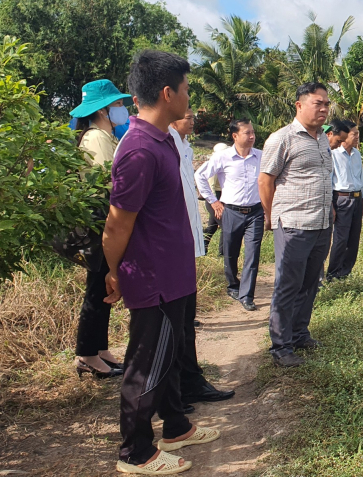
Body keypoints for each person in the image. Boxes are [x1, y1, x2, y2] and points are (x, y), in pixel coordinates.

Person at [103, 49, 219, 475]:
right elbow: (117, 225)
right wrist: (114, 271)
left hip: (175, 272)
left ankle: (176, 426)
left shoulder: (166, 139)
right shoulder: (138, 150)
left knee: (170, 355)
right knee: (146, 362)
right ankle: (135, 452)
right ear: (168, 93)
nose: (190, 97)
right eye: (186, 89)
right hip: (153, 278)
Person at [258, 83, 334, 368]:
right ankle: (281, 346)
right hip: (293, 224)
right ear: (299, 105)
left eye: (326, 104)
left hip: (321, 224)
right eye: (318, 103)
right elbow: (265, 180)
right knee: (288, 285)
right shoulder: (282, 139)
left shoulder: (322, 138)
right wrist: (271, 216)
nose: (324, 108)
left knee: (310, 283)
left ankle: (300, 334)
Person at [169, 108, 235, 414]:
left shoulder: (183, 145)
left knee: (186, 321)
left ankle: (190, 381)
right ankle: (172, 393)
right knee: (173, 325)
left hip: (186, 245)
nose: (193, 118)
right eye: (187, 114)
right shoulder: (160, 143)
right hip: (171, 247)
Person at [69, 79, 131, 379]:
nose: (122, 109)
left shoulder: (103, 136)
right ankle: (86, 354)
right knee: (97, 289)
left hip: (102, 221)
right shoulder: (97, 138)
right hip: (100, 222)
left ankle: (100, 350)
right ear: (104, 110)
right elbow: (111, 184)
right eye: (118, 104)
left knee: (103, 287)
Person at [195, 120, 264, 311]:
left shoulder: (261, 156)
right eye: (247, 133)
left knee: (253, 253)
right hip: (231, 212)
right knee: (230, 252)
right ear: (235, 136)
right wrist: (213, 201)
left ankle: (247, 295)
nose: (252, 136)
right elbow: (200, 175)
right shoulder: (222, 157)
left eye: (253, 132)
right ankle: (233, 285)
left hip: (255, 212)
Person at [326, 120, 363, 281]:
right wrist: (331, 206)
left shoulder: (356, 154)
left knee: (354, 238)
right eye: (354, 134)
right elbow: (329, 180)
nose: (357, 137)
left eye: (358, 134)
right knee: (341, 238)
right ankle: (333, 274)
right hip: (342, 199)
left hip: (357, 199)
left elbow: (361, 178)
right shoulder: (334, 154)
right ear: (344, 136)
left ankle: (345, 273)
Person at [201, 144, 226, 256]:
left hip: (220, 197)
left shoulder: (222, 163)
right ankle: (223, 254)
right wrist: (215, 203)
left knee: (212, 226)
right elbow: (211, 186)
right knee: (225, 225)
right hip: (214, 198)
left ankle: (202, 248)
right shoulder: (214, 164)